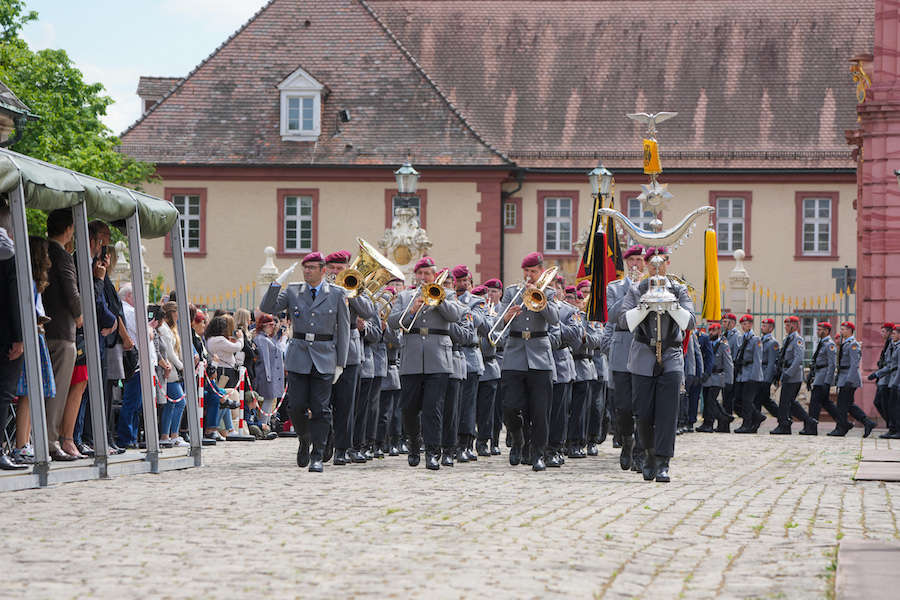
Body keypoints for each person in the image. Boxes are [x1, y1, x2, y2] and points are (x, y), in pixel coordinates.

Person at [260, 251, 350, 472]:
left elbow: (344, 330)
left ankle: (317, 455)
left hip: (325, 355)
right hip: (299, 355)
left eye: (312, 268)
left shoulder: (337, 294)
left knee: (321, 408)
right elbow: (267, 307)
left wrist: (341, 362)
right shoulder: (293, 291)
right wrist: (276, 283)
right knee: (296, 406)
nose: (307, 271)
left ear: (323, 270)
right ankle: (304, 438)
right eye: (305, 268)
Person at [617, 247, 695, 483]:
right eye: (651, 263)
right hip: (643, 355)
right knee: (643, 412)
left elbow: (690, 321)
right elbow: (623, 320)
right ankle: (648, 454)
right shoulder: (637, 289)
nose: (656, 268)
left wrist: (670, 304)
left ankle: (663, 461)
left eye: (660, 264)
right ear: (646, 266)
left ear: (667, 265)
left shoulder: (679, 290)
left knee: (667, 413)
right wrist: (645, 305)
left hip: (670, 354)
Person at [388, 256, 464, 471]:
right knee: (409, 408)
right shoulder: (404, 296)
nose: (423, 278)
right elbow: (393, 322)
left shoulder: (447, 294)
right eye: (419, 274)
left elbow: (455, 315)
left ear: (434, 275)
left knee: (433, 407)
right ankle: (413, 442)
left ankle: (433, 452)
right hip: (411, 356)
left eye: (427, 274)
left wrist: (438, 300)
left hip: (438, 357)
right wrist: (410, 309)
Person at [496, 252, 560, 472]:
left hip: (540, 357)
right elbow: (496, 321)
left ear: (541, 271)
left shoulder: (549, 293)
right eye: (527, 272)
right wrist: (506, 317)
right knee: (510, 407)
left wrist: (539, 298)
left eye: (534, 271)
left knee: (540, 411)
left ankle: (538, 455)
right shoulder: (512, 292)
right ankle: (517, 438)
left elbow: (554, 320)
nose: (530, 276)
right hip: (514, 355)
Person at [323, 250, 376, 465]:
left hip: (351, 353)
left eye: (340, 268)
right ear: (327, 270)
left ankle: (342, 449)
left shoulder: (355, 287)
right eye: (333, 269)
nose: (336, 272)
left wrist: (350, 293)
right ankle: (325, 442)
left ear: (347, 269)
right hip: (324, 350)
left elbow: (369, 311)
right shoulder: (321, 289)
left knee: (347, 403)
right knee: (323, 403)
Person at [41, 209, 83, 458]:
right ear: (68, 229)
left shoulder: (40, 250)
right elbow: (72, 291)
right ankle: (50, 440)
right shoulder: (63, 256)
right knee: (56, 390)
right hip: (62, 332)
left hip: (44, 327)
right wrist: (79, 316)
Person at [607, 244, 646, 472]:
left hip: (643, 347)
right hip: (622, 348)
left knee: (642, 405)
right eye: (632, 260)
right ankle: (627, 441)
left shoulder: (652, 286)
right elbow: (612, 315)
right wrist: (631, 291)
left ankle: (641, 451)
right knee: (622, 406)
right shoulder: (615, 288)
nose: (636, 264)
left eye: (640, 260)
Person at [0, 205, 25, 470]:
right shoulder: (9, 253)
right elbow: (16, 298)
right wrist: (20, 337)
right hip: (7, 334)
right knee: (5, 392)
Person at [770, 316, 817, 435]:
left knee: (784, 402)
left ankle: (784, 425)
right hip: (786, 374)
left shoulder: (797, 339)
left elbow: (798, 359)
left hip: (793, 376)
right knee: (790, 402)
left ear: (795, 325)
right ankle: (808, 422)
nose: (786, 327)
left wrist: (788, 373)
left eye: (788, 325)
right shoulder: (787, 339)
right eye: (785, 325)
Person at [831, 321, 876, 437]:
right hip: (844, 376)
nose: (841, 331)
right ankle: (867, 422)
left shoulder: (853, 344)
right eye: (841, 329)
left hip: (849, 378)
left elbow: (854, 363)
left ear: (850, 330)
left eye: (844, 329)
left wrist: (849, 380)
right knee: (848, 404)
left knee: (842, 404)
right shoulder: (845, 343)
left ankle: (841, 428)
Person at [474, 281, 501, 457]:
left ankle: (488, 441)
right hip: (474, 363)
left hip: (490, 365)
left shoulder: (494, 314)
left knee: (490, 409)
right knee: (471, 407)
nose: (488, 297)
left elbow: (499, 337)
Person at [157, 302, 189, 447]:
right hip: (170, 371)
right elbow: (170, 352)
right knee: (180, 402)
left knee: (171, 405)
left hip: (174, 370)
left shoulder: (172, 329)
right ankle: (173, 435)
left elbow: (177, 350)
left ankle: (166, 435)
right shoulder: (164, 329)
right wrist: (182, 366)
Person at [801, 322, 840, 436]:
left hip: (823, 378)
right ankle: (842, 422)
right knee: (825, 403)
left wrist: (827, 382)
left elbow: (832, 365)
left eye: (820, 330)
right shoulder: (822, 343)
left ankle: (811, 428)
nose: (817, 332)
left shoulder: (829, 344)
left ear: (827, 331)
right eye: (817, 329)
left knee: (815, 403)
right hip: (818, 376)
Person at [697, 322, 733, 432]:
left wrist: (729, 381)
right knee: (709, 401)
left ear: (719, 331)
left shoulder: (723, 345)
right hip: (708, 377)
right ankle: (715, 420)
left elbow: (728, 363)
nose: (711, 333)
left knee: (711, 401)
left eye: (713, 331)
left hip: (718, 377)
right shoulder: (707, 344)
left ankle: (712, 422)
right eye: (710, 331)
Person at [252, 313, 284, 437]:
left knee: (270, 401)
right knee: (267, 400)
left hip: (272, 374)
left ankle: (266, 425)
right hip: (266, 375)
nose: (272, 327)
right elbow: (264, 359)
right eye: (270, 325)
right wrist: (268, 376)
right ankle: (264, 425)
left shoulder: (267, 338)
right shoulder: (261, 339)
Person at [733, 314, 766, 434]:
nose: (743, 326)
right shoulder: (742, 339)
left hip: (751, 375)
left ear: (751, 324)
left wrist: (754, 377)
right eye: (742, 324)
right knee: (738, 401)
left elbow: (758, 360)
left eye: (745, 324)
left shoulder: (755, 339)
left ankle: (746, 424)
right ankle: (757, 417)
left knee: (747, 401)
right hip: (742, 374)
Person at [870, 324, 900, 439]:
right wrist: (876, 374)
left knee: (895, 407)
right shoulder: (894, 346)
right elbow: (889, 365)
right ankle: (893, 429)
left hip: (896, 381)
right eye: (892, 333)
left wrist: (895, 383)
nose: (892, 335)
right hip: (892, 379)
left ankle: (896, 430)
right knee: (891, 406)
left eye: (894, 333)